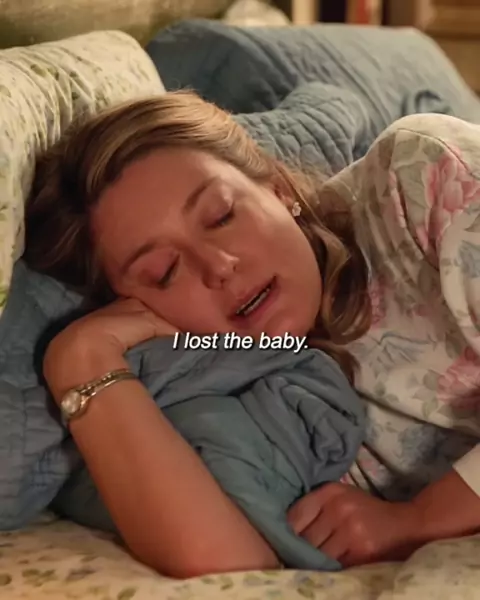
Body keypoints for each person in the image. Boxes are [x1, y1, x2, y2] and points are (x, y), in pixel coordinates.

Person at [24, 91, 480, 578]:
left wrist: (418, 521)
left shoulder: (417, 180)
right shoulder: (232, 387)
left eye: (222, 216)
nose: (219, 266)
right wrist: (82, 360)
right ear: (128, 305)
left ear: (278, 190)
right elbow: (222, 563)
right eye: (164, 271)